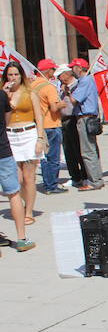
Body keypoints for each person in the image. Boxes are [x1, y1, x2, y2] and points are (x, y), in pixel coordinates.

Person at [2, 61, 46, 226]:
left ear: (21, 76)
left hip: (28, 134)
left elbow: (39, 117)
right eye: (10, 75)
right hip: (10, 136)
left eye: (16, 74)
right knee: (17, 178)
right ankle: (22, 204)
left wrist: (40, 139)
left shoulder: (30, 92)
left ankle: (28, 211)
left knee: (28, 177)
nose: (13, 78)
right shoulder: (3, 93)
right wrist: (4, 95)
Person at [0, 87, 35, 254]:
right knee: (13, 194)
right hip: (3, 150)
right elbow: (6, 122)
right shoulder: (1, 95)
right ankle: (21, 239)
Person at [63, 58, 104, 190]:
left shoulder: (85, 81)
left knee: (87, 151)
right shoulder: (87, 80)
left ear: (79, 68)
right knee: (92, 149)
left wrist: (68, 92)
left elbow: (75, 100)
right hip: (88, 117)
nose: (71, 70)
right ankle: (97, 178)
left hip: (85, 117)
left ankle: (94, 181)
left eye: (73, 67)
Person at [32, 59, 67, 194]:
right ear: (48, 71)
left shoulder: (32, 85)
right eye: (53, 69)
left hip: (38, 126)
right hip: (51, 124)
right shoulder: (48, 87)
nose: (54, 72)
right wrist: (63, 103)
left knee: (44, 158)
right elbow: (54, 108)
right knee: (53, 157)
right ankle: (51, 186)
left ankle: (47, 184)